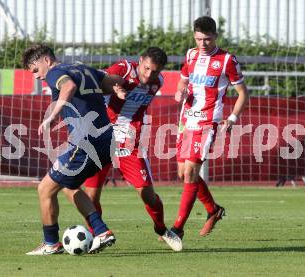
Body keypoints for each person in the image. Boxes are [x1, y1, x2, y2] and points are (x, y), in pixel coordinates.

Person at [21, 44, 125, 255]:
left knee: (45, 189)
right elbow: (114, 82)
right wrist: (117, 88)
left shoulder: (55, 72)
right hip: (106, 140)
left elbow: (68, 87)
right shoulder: (82, 68)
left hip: (86, 142)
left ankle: (50, 243)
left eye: (35, 70)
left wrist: (51, 117)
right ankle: (101, 230)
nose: (36, 76)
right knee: (69, 186)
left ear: (46, 61)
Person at [82, 47, 182, 251]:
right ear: (140, 61)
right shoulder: (124, 68)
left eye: (154, 71)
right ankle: (97, 236)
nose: (149, 74)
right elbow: (100, 83)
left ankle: (161, 229)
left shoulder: (157, 82)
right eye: (146, 68)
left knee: (147, 193)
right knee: (91, 196)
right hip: (101, 136)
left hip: (129, 142)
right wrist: (113, 89)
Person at [171, 16, 249, 245]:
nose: (202, 44)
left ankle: (177, 229)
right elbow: (182, 82)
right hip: (186, 120)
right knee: (183, 173)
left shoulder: (227, 60)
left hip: (208, 121)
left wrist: (232, 118)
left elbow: (243, 93)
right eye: (198, 39)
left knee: (191, 173)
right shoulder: (190, 55)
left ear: (215, 36)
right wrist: (180, 93)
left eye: (206, 39)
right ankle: (213, 210)